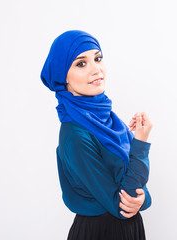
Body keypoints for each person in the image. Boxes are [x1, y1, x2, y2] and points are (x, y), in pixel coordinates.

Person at [40, 30, 153, 240]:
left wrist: (142, 198)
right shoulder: (75, 134)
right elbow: (120, 207)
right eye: (81, 63)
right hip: (100, 232)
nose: (96, 69)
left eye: (98, 58)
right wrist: (141, 142)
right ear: (62, 76)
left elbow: (139, 192)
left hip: (130, 230)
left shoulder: (109, 120)